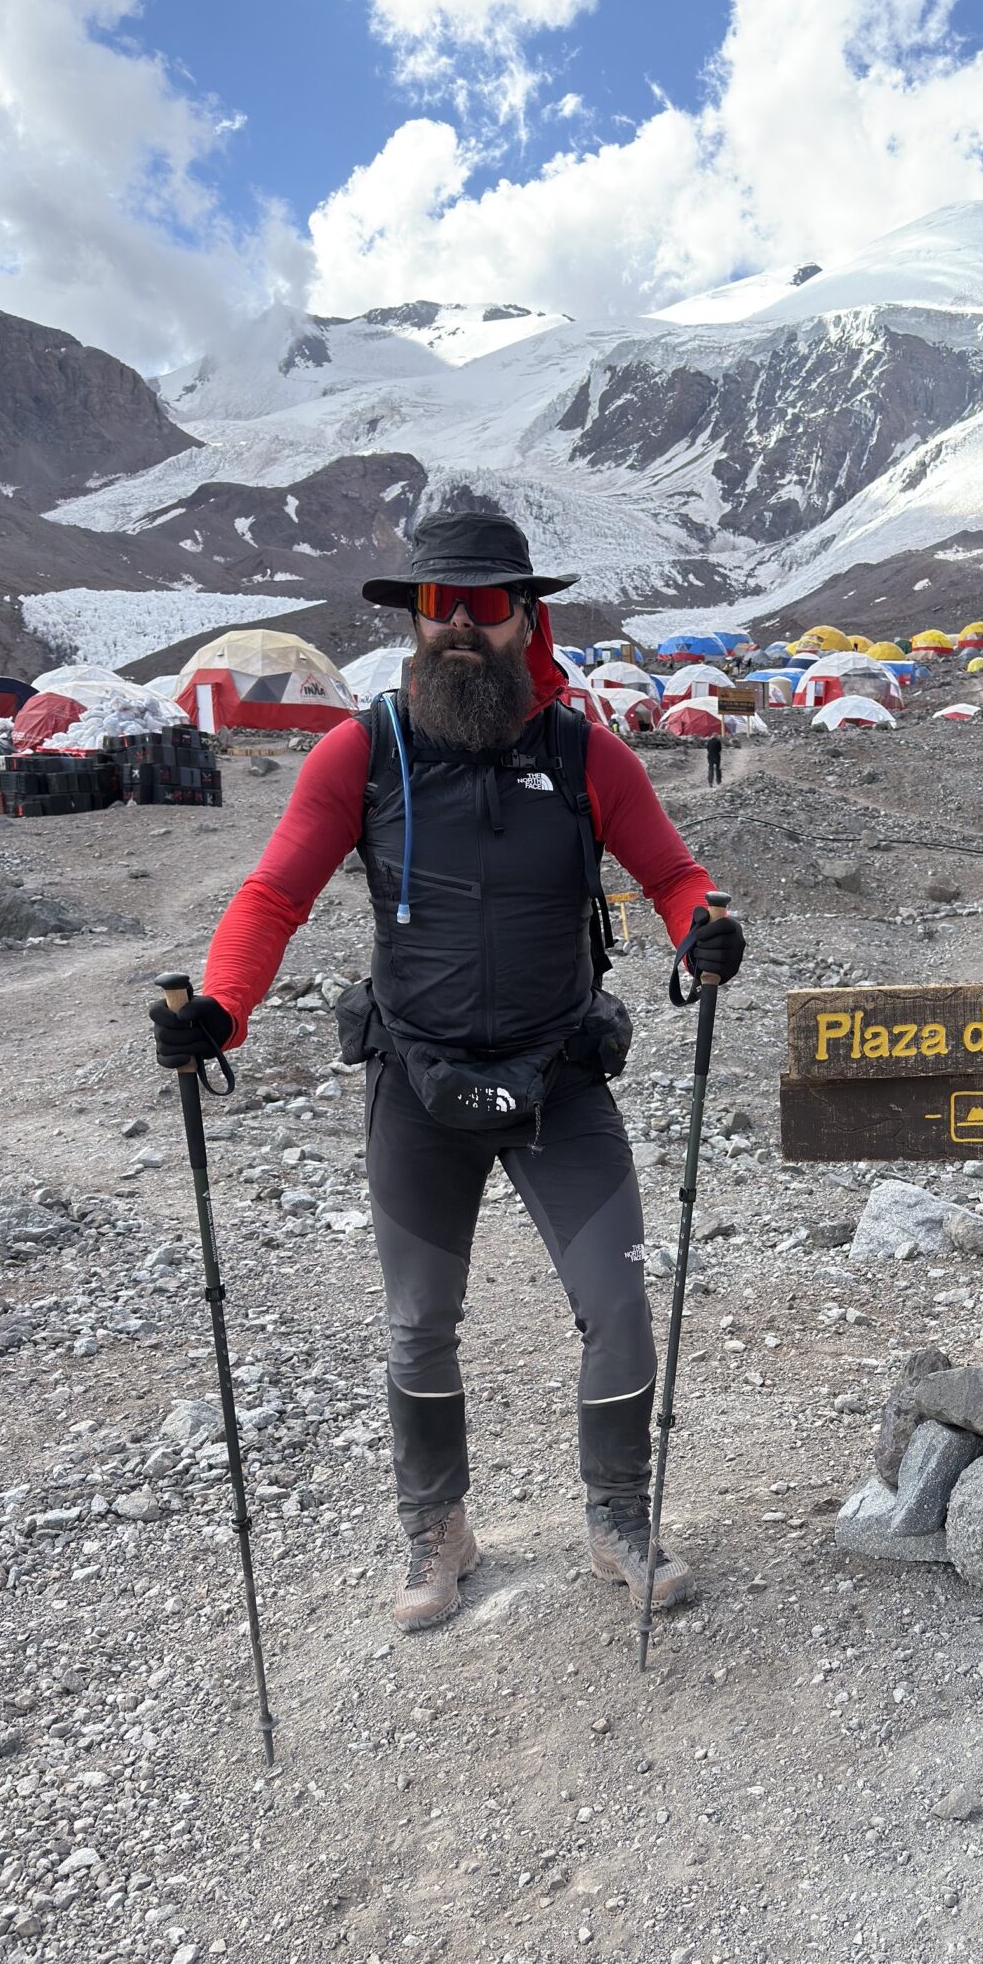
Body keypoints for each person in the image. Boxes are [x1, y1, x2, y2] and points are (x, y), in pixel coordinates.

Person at [149, 509, 745, 1633]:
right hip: (415, 1081)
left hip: (559, 1078)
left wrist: (701, 927)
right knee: (420, 1319)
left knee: (618, 1303)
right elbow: (274, 892)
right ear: (413, 620)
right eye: (440, 607)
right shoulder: (362, 750)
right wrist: (221, 1011)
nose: (460, 627)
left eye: (484, 605)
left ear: (528, 616)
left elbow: (672, 871)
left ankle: (620, 1513)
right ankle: (440, 1530)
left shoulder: (581, 751)